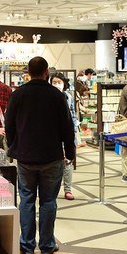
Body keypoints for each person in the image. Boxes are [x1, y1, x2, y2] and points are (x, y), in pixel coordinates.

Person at [5, 57, 75, 254]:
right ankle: (46, 244)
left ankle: (26, 245)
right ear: (46, 72)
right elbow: (67, 128)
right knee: (48, 201)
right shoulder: (56, 95)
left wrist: (13, 147)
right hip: (51, 156)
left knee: (26, 199)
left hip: (25, 157)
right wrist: (70, 152)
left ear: (28, 71)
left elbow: (9, 126)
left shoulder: (18, 95)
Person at [51, 72, 77, 200]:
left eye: (59, 82)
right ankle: (52, 189)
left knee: (68, 161)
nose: (56, 85)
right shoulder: (47, 96)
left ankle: (68, 189)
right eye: (54, 82)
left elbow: (73, 115)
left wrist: (75, 132)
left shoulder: (68, 97)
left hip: (66, 133)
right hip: (52, 134)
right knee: (53, 163)